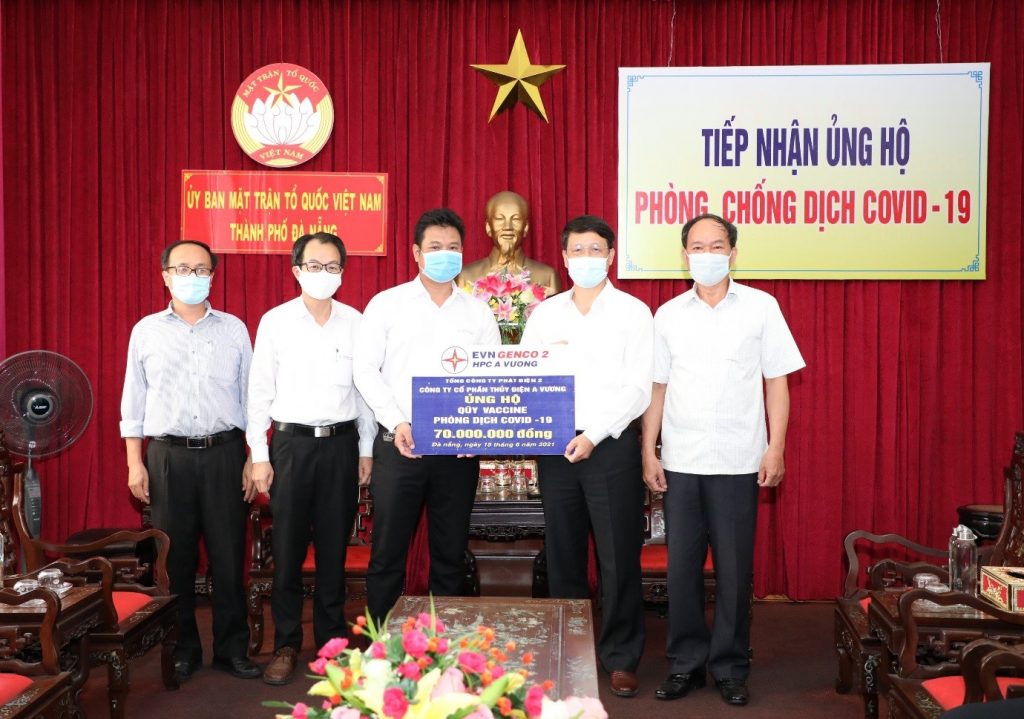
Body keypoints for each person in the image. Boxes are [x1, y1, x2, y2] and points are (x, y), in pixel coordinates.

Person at [641, 213, 805, 706]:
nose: (707, 254)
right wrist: (649, 449)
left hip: (738, 459)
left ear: (733, 253)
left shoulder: (761, 307)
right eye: (697, 246)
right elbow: (657, 387)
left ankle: (731, 666)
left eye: (717, 246)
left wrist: (776, 446)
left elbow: (777, 381)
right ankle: (686, 664)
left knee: (734, 571)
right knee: (682, 569)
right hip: (683, 459)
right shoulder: (668, 314)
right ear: (684, 255)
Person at [520, 215, 653, 698]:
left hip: (610, 446)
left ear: (611, 256)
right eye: (577, 250)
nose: (586, 258)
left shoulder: (634, 313)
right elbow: (525, 376)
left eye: (596, 250)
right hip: (556, 447)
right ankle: (570, 652)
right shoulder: (545, 314)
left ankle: (621, 657)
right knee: (563, 554)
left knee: (618, 555)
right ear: (564, 257)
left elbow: (639, 389)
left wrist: (594, 435)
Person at [121, 239, 259, 681]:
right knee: (175, 560)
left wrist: (253, 456)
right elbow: (133, 402)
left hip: (225, 454)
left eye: (201, 269)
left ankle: (232, 649)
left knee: (228, 556)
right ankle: (182, 650)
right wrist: (135, 462)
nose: (192, 276)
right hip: (167, 457)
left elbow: (252, 398)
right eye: (182, 268)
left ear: (212, 276)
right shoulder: (146, 331)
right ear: (165, 275)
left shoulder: (234, 329)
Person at [354, 208, 500, 625]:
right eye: (435, 247)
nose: (444, 254)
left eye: (453, 247)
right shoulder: (387, 305)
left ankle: (444, 643)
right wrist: (397, 421)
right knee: (388, 553)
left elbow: (490, 377)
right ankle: (381, 642)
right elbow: (364, 370)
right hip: (400, 445)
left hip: (457, 453)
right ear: (416, 253)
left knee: (450, 554)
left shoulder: (478, 312)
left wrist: (476, 431)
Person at [247, 232, 376, 685]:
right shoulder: (275, 322)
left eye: (332, 266)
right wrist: (259, 454)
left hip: (341, 445)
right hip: (290, 447)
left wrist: (365, 449)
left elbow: (364, 392)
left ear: (342, 272)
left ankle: (331, 644)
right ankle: (285, 644)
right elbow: (259, 392)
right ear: (297, 270)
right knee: (286, 550)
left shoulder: (357, 322)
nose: (324, 274)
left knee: (334, 550)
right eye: (315, 266)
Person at [459, 190, 560, 297]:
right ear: (488, 227)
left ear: (525, 227)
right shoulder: (466, 276)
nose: (508, 227)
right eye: (499, 219)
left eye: (516, 219)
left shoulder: (548, 276)